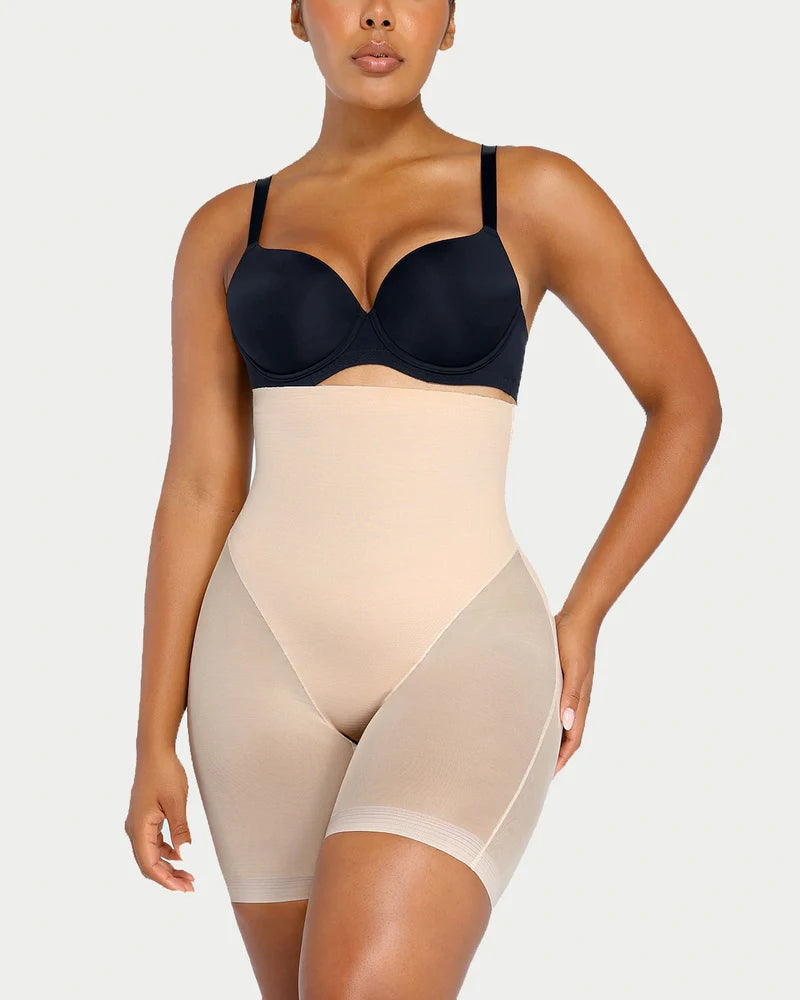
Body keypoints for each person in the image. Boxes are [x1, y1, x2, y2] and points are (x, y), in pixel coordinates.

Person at [125, 2, 722, 997]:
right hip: (256, 663)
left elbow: (685, 403)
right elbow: (197, 483)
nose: (376, 14)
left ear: (449, 21)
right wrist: (152, 733)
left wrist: (584, 612)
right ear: (296, 14)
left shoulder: (530, 192)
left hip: (466, 649)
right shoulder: (227, 229)